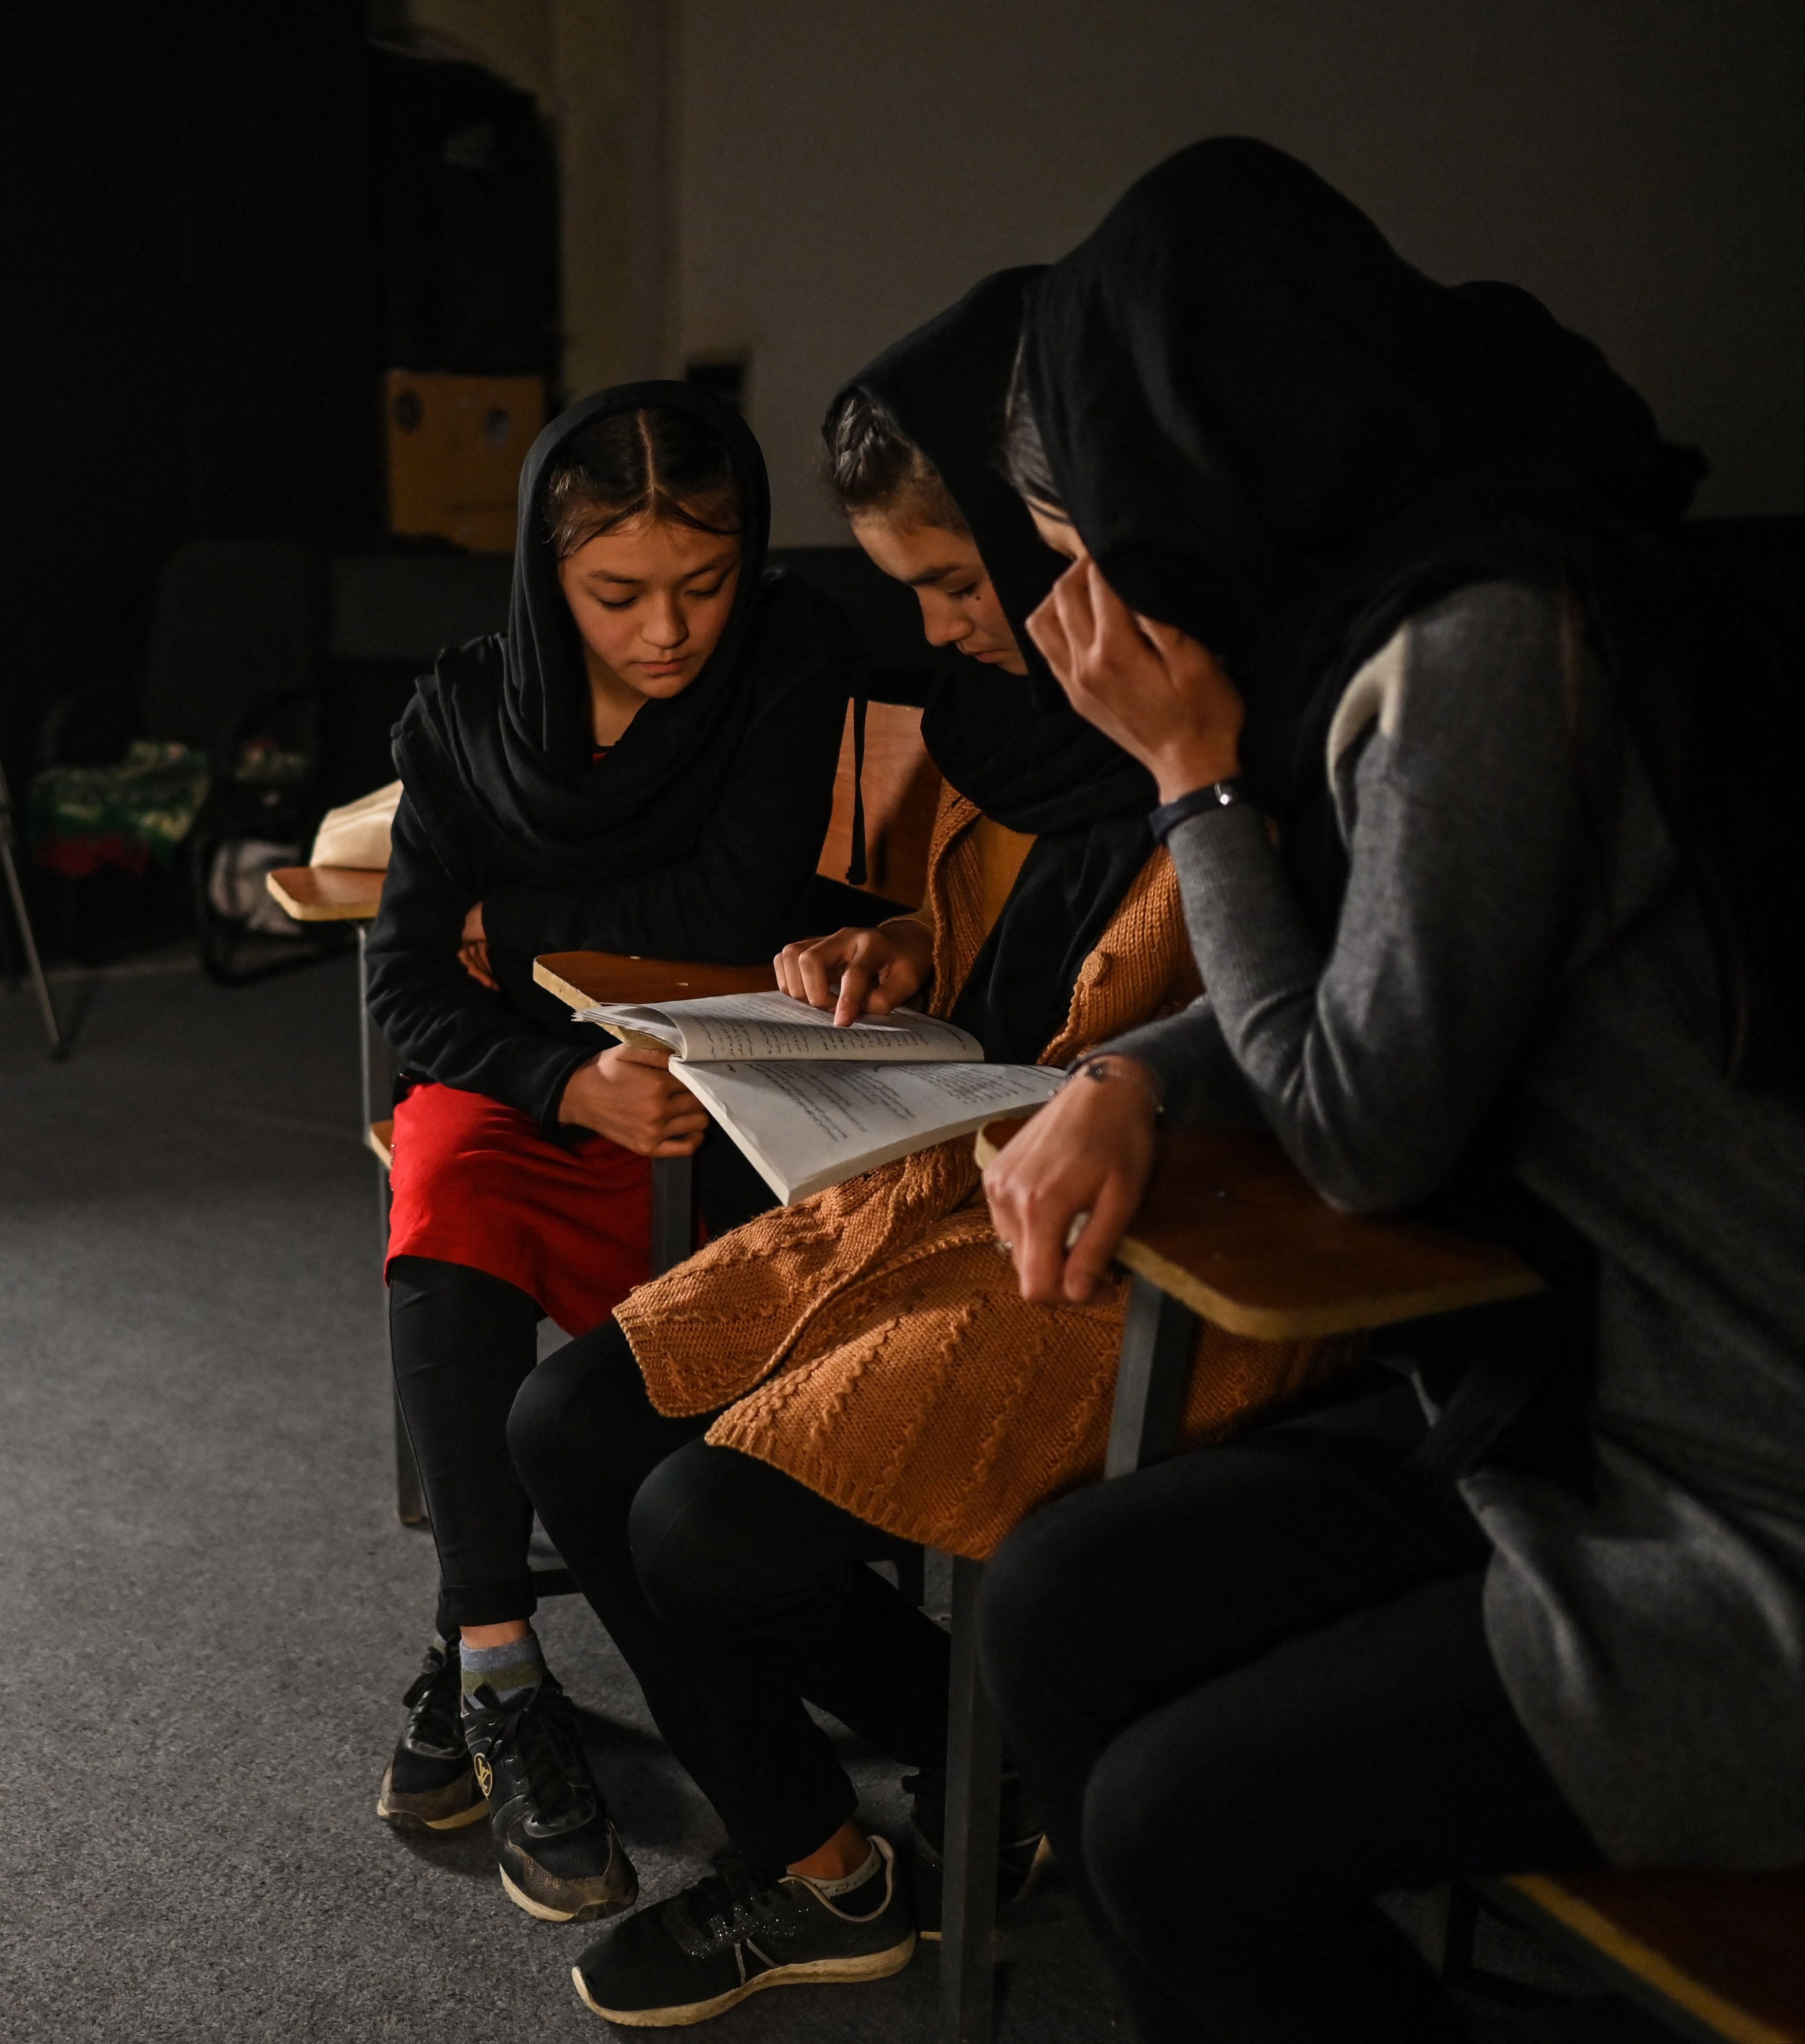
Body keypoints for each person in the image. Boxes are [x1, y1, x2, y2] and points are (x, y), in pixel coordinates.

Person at [969, 137, 1805, 2043]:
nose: (1079, 618)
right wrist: (1134, 1073)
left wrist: (1192, 786)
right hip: (1581, 1399)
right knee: (1055, 1599)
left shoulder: (1486, 649)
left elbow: (1359, 1125)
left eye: (1085, 554)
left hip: (1739, 1492)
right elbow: (1398, 990)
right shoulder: (1461, 581)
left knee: (1176, 1834)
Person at [500, 271, 1346, 2028]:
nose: (949, 630)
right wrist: (897, 953)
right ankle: (831, 1867)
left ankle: (999, 1759)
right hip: (947, 1176)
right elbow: (1018, 951)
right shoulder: (1012, 720)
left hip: (1150, 1249)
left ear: (1068, 534)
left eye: (965, 581)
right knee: (563, 1424)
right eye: (919, 593)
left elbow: (1307, 1052)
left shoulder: (1247, 716)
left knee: (703, 1529)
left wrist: (1136, 1021)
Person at [367, 382, 874, 1925]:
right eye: (617, 594)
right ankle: (495, 1656)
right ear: (547, 575)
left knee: (656, 1341)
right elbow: (406, 988)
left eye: (704, 584)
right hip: (539, 1088)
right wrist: (560, 1078)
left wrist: (513, 923)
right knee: (445, 1172)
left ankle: (528, 1642)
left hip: (719, 1089)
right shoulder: (466, 709)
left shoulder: (784, 657)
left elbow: (730, 916)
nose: (668, 632)